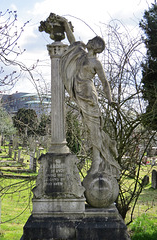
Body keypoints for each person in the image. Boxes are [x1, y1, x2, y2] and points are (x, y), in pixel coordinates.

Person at [58, 16, 120, 178]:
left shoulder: (95, 63)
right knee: (88, 127)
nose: (89, 41)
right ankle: (101, 153)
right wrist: (65, 24)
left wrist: (110, 99)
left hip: (89, 96)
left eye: (92, 41)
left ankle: (97, 160)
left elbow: (105, 83)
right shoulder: (81, 53)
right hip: (78, 91)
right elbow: (72, 41)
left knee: (93, 128)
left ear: (96, 47)